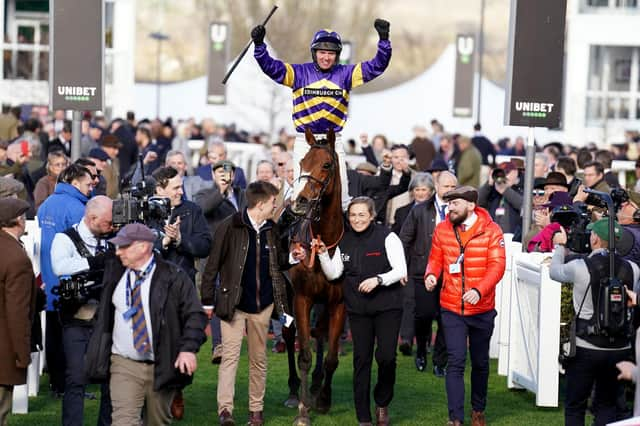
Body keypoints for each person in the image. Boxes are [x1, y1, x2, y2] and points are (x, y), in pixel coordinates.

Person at [252, 18, 392, 209]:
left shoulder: (347, 74)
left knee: (342, 196)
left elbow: (377, 66)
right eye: (322, 52)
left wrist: (384, 40)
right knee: (298, 195)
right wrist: (260, 45)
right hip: (305, 141)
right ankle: (284, 236)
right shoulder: (298, 73)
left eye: (331, 53)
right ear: (314, 53)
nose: (326, 57)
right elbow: (271, 67)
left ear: (337, 55)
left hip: (333, 141)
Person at [85, 223, 207, 426]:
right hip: (123, 363)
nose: (118, 251)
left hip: (163, 363)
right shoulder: (114, 271)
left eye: (124, 246)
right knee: (123, 421)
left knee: (157, 422)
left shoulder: (174, 277)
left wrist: (188, 349)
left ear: (143, 247)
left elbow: (195, 315)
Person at [202, 181, 301, 426]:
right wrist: (207, 301)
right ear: (259, 203)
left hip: (264, 306)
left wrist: (292, 257)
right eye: (272, 202)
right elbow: (212, 265)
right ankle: (226, 411)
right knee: (230, 359)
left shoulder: (273, 229)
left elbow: (278, 263)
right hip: (233, 305)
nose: (275, 206)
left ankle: (256, 411)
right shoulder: (229, 226)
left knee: (259, 360)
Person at [315, 196, 406, 426]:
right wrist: (324, 254)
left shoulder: (388, 237)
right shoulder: (343, 240)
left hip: (387, 306)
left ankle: (382, 402)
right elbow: (334, 273)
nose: (356, 219)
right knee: (361, 360)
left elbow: (400, 270)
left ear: (372, 215)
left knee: (386, 357)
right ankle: (363, 416)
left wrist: (378, 279)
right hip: (358, 309)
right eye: (353, 215)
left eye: (362, 214)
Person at [424, 186, 506, 426]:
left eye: (455, 204)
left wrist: (479, 290)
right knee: (456, 360)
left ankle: (478, 410)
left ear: (471, 205)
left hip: (482, 310)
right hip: (451, 307)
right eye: (449, 204)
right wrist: (431, 274)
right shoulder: (442, 229)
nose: (450, 209)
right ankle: (455, 418)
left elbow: (497, 266)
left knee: (480, 363)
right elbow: (435, 258)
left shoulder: (492, 231)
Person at [549, 219, 639, 426]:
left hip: (586, 346)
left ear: (595, 238)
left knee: (575, 406)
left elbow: (554, 272)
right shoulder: (633, 269)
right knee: (606, 405)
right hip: (619, 347)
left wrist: (560, 246)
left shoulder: (580, 267)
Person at [50, 196, 114, 426]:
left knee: (110, 379)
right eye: (108, 222)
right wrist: (96, 262)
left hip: (107, 318)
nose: (112, 226)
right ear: (92, 217)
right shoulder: (65, 238)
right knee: (76, 378)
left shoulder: (111, 239)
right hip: (77, 318)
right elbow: (60, 266)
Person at [38, 163, 93, 395]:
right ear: (75, 182)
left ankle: (57, 384)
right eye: (88, 183)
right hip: (71, 281)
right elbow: (86, 247)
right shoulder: (78, 208)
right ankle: (71, 386)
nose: (91, 187)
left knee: (53, 332)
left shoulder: (46, 204)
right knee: (73, 336)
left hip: (49, 278)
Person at [399, 171, 458, 375]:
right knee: (423, 315)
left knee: (446, 318)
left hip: (451, 275)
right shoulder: (420, 210)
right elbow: (404, 239)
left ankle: (439, 361)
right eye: (446, 186)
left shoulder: (462, 211)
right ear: (437, 186)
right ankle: (422, 350)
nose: (449, 190)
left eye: (453, 187)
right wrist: (401, 268)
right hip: (422, 272)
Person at [194, 160, 248, 365]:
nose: (225, 176)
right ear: (213, 175)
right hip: (215, 257)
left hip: (240, 254)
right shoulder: (204, 194)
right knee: (218, 297)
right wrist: (221, 191)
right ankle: (219, 344)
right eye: (220, 172)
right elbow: (204, 208)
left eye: (228, 173)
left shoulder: (243, 195)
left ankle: (237, 340)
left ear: (234, 175)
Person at [0, 198, 38, 425]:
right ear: (18, 220)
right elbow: (17, 313)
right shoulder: (16, 259)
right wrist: (22, 355)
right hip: (4, 352)